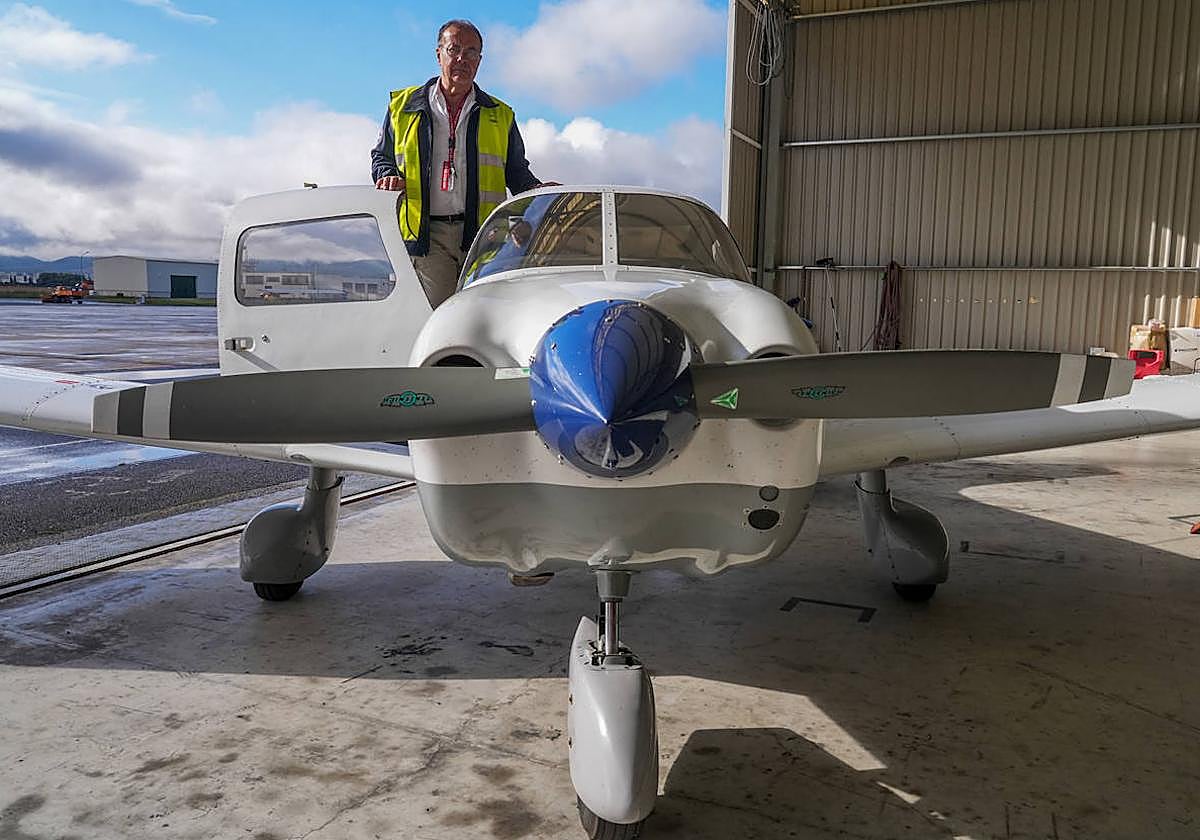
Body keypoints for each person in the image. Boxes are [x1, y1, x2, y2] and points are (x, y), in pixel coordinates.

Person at [371, 19, 555, 308]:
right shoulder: (403, 106)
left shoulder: (500, 114)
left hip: (484, 235)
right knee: (439, 315)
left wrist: (538, 190)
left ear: (479, 61)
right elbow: (381, 157)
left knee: (479, 315)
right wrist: (388, 175)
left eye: (471, 52)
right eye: (454, 49)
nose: (462, 59)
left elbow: (517, 172)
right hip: (427, 235)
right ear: (438, 54)